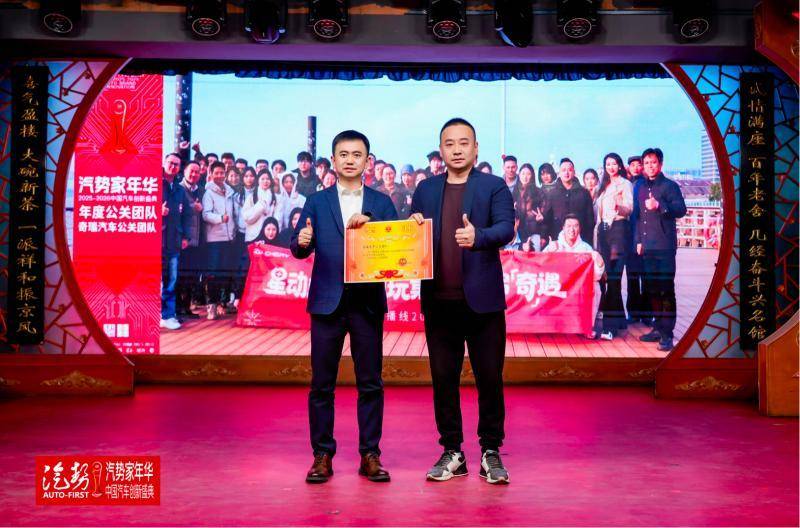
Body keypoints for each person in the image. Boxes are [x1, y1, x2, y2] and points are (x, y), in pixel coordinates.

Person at [410, 118, 514, 485]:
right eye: (449, 143)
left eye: (463, 143)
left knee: (489, 378)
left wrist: (478, 236)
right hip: (439, 302)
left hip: (483, 303)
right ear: (441, 150)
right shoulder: (425, 189)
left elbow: (506, 228)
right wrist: (410, 230)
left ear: (475, 148)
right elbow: (414, 235)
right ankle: (452, 451)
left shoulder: (493, 186)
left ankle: (491, 451)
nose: (456, 149)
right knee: (443, 379)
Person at [291, 130, 398, 484]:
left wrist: (375, 227)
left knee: (371, 383)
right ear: (333, 160)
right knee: (322, 384)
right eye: (344, 154)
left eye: (357, 154)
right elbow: (299, 246)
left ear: (368, 161)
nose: (350, 160)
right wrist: (302, 241)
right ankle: (322, 455)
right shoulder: (316, 201)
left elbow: (396, 248)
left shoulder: (382, 202)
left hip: (367, 303)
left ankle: (370, 455)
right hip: (327, 302)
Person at [634, 148, 687, 352]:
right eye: (646, 163)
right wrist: (638, 240)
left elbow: (681, 210)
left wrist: (660, 205)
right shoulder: (640, 187)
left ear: (661, 164)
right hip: (647, 247)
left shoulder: (670, 186)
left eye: (653, 162)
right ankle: (658, 327)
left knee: (666, 291)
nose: (650, 166)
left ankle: (667, 334)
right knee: (652, 290)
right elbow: (638, 217)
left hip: (665, 247)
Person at [544, 214, 605, 339]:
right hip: (558, 287)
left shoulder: (586, 248)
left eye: (575, 226)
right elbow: (540, 267)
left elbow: (596, 276)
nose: (572, 230)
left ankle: (587, 327)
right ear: (563, 228)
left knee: (596, 288)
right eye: (569, 226)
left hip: (577, 289)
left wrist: (600, 264)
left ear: (580, 229)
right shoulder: (555, 245)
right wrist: (549, 253)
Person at [595, 153, 633, 339]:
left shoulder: (625, 184)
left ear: (619, 166)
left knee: (614, 278)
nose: (610, 167)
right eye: (607, 164)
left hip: (618, 229)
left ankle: (610, 327)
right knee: (608, 277)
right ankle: (620, 320)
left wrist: (619, 207)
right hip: (603, 232)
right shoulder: (603, 186)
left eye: (614, 163)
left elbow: (629, 208)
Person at [202, 161, 237, 321]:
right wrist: (220, 218)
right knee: (213, 274)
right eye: (216, 173)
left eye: (222, 173)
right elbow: (206, 214)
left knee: (225, 273)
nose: (219, 176)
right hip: (214, 239)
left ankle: (222, 303)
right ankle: (211, 305)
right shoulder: (208, 193)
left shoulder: (230, 191)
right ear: (211, 174)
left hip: (229, 238)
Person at [161, 153, 191, 330]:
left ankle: (168, 315)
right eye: (170, 163)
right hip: (154, 240)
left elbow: (186, 215)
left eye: (176, 164)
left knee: (171, 280)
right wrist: (156, 210)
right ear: (164, 163)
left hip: (173, 241)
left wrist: (186, 237)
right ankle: (153, 313)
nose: (173, 166)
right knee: (152, 281)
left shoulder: (179, 189)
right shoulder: (153, 183)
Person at [176, 160, 205, 321]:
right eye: (191, 171)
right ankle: (177, 308)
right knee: (179, 275)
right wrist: (182, 237)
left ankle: (186, 307)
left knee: (192, 276)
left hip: (197, 240)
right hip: (183, 240)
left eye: (197, 172)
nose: (194, 174)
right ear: (185, 172)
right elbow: (176, 214)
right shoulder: (178, 189)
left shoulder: (201, 190)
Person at [548, 158, 594, 246]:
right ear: (559, 173)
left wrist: (588, 241)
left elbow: (590, 220)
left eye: (569, 170)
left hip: (580, 241)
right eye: (563, 170)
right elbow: (548, 218)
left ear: (574, 172)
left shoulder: (584, 193)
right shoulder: (552, 193)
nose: (566, 173)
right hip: (558, 241)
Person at [625, 155, 648, 325]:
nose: (635, 167)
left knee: (644, 277)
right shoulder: (627, 184)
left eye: (638, 164)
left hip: (641, 235)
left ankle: (646, 314)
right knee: (632, 277)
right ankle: (634, 313)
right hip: (628, 237)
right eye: (632, 165)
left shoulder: (645, 184)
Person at [518, 163, 548, 251]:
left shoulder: (539, 192)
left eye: (528, 174)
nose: (525, 177)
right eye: (523, 174)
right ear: (519, 175)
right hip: (517, 235)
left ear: (532, 175)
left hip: (534, 234)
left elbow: (545, 217)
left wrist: (543, 235)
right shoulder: (514, 192)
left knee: (534, 258)